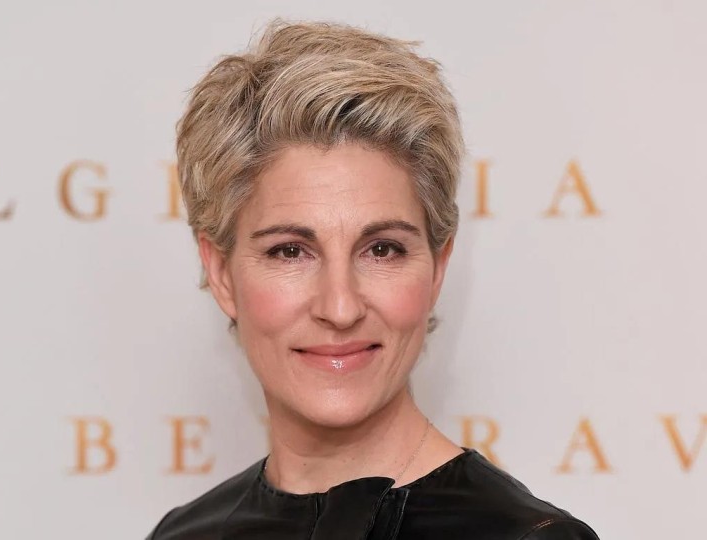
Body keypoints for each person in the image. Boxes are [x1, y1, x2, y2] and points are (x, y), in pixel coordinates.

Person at [147, 20, 599, 540]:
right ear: (221, 273)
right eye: (290, 251)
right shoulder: (181, 534)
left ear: (438, 267)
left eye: (382, 249)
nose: (340, 308)